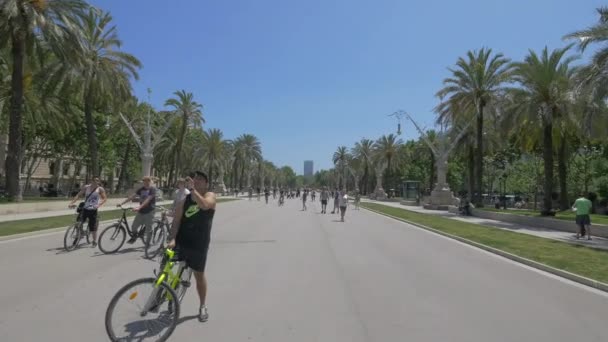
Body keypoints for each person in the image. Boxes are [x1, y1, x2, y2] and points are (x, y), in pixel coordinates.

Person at [167, 171, 216, 322]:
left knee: (199, 277)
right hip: (182, 241)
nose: (197, 181)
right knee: (168, 267)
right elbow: (176, 220)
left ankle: (202, 306)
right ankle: (165, 294)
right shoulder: (185, 200)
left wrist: (193, 190)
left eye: (201, 179)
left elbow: (205, 206)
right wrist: (173, 238)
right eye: (195, 179)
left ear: (206, 183)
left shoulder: (210, 196)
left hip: (198, 244)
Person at [68, 176, 107, 248]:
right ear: (91, 181)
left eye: (97, 180)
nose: (96, 181)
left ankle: (94, 241)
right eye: (95, 180)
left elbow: (104, 199)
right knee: (78, 222)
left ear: (99, 182)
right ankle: (80, 234)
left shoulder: (100, 189)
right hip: (85, 208)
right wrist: (72, 203)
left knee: (93, 227)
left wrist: (98, 205)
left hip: (93, 210)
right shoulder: (86, 187)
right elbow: (78, 195)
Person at [118, 176, 157, 244]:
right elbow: (132, 196)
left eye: (147, 181)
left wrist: (139, 207)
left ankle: (148, 243)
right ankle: (134, 237)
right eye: (144, 181)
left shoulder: (152, 189)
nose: (145, 182)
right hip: (141, 211)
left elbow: (148, 199)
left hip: (149, 211)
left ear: (149, 181)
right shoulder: (141, 189)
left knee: (148, 229)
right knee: (134, 227)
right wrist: (122, 203)